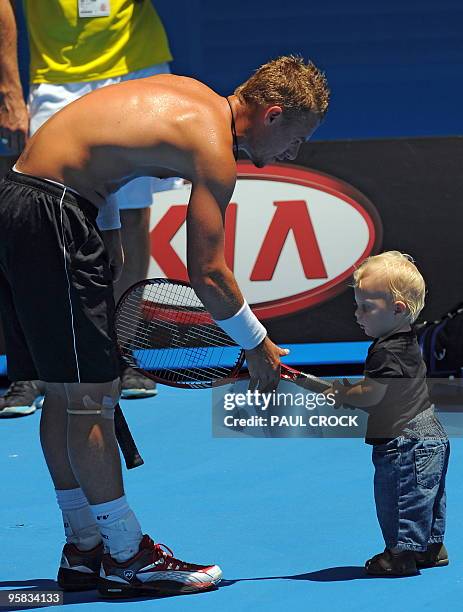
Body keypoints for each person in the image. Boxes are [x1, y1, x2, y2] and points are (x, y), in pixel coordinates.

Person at [0, 56, 330, 597]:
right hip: (56, 215)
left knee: (65, 393)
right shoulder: (213, 150)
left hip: (21, 201)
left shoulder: (190, 92)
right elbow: (207, 272)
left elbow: (101, 140)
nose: (295, 152)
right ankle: (127, 554)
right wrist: (256, 343)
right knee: (89, 398)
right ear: (271, 115)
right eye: (298, 138)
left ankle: (84, 545)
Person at [0, 0, 176, 416]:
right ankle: (32, 368)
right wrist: (8, 89)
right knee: (37, 225)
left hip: (135, 68)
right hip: (57, 78)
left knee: (132, 218)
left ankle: (124, 352)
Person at [327, 252, 449, 577]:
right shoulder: (409, 340)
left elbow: (371, 395)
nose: (357, 314)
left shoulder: (383, 352)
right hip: (432, 432)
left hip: (404, 441)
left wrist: (342, 394)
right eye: (357, 305)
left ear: (398, 309)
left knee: (399, 496)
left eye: (366, 307)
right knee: (428, 493)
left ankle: (400, 555)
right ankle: (431, 547)